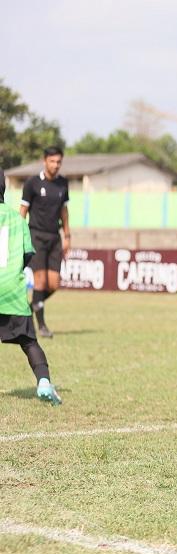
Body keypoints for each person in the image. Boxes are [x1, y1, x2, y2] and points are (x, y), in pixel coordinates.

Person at [1, 172, 62, 405]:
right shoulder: (17, 219)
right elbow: (27, 254)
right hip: (11, 291)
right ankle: (44, 382)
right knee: (28, 341)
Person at [20, 146, 70, 338]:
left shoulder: (63, 184)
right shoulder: (32, 183)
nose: (56, 165)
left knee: (54, 284)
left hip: (54, 238)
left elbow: (64, 212)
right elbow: (23, 211)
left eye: (59, 162)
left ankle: (32, 306)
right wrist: (20, 235)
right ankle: (41, 326)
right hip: (36, 236)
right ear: (44, 161)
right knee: (39, 281)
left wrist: (67, 236)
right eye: (52, 161)